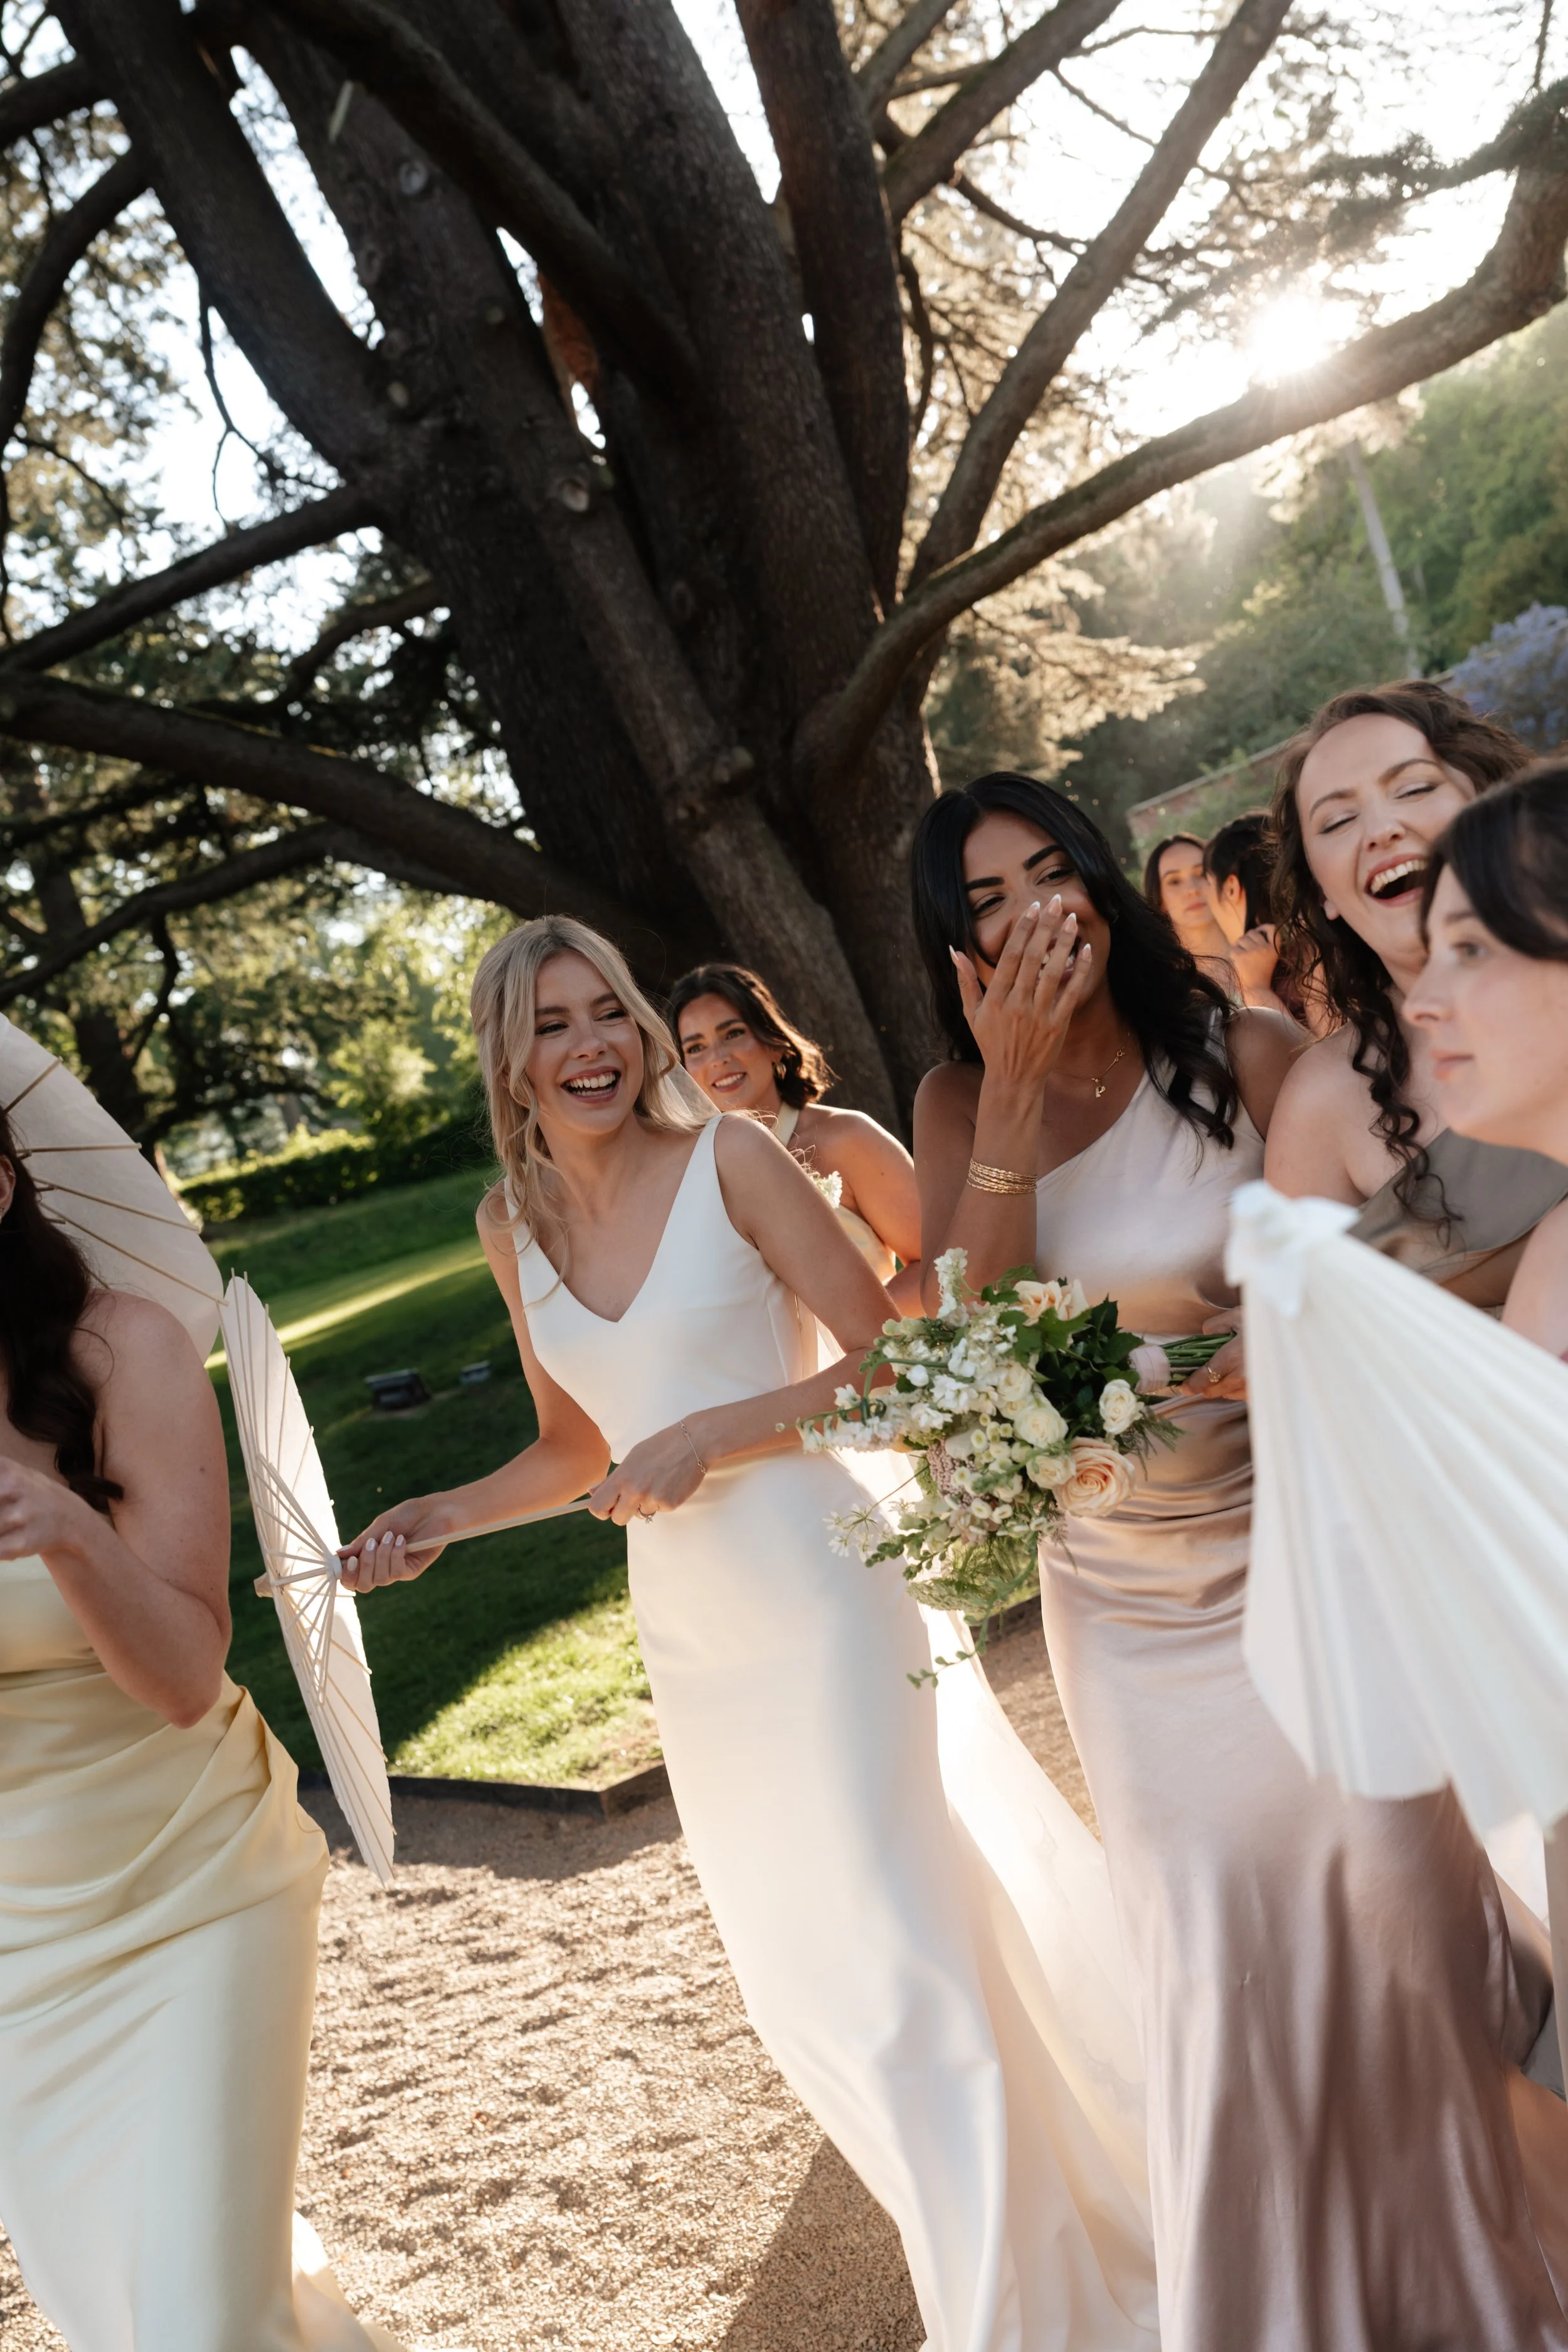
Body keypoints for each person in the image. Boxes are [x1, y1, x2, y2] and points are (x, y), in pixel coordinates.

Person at [337, 915, 1160, 2352]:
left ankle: (1012, 2319)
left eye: (610, 1010)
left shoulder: (731, 1160)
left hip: (826, 1588)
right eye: (552, 1022)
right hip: (699, 1636)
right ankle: (1029, 2249)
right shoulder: (505, 1221)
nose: (592, 1042)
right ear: (508, 1058)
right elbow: (569, 1441)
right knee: (817, 1972)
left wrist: (722, 1425)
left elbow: (896, 1364)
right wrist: (443, 1513)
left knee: (900, 1949)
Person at [910, 767, 1568, 2351]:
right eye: (983, 901)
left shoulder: (1237, 1050)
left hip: (1298, 1547)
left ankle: (1498, 2274)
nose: (1028, 915)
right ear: (952, 943)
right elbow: (955, 1340)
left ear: (1099, 880)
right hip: (1125, 1607)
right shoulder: (946, 1105)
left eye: (1047, 871)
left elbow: (1400, 1243)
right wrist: (1003, 1104)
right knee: (1224, 1949)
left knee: (1402, 1902)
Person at [0, 1102, 402, 2352]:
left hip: (197, 1883)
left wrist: (65, 1530)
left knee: (202, 2329)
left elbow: (181, 1675)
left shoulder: (126, 1351)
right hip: (16, 1943)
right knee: (130, 2313)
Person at [1263, 679, 1568, 1296]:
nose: (1380, 829)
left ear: (1489, 802)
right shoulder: (1321, 1103)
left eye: (1413, 788)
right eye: (1339, 820)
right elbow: (1299, 1339)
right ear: (1323, 889)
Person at [667, 960, 923, 1311]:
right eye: (696, 1048)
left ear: (773, 1043)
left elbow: (935, 1268)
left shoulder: (848, 1139)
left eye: (733, 1033)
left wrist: (850, 1335)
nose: (718, 1058)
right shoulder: (688, 1177)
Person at [1202, 809, 1326, 1029]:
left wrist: (1256, 989)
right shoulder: (1312, 940)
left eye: (1209, 885)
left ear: (1231, 887)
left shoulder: (1314, 953)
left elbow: (1325, 1055)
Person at [1141, 830, 1234, 984]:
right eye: (1175, 881)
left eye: (1201, 874)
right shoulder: (1159, 985)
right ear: (1159, 898)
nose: (1192, 889)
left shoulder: (1265, 951)